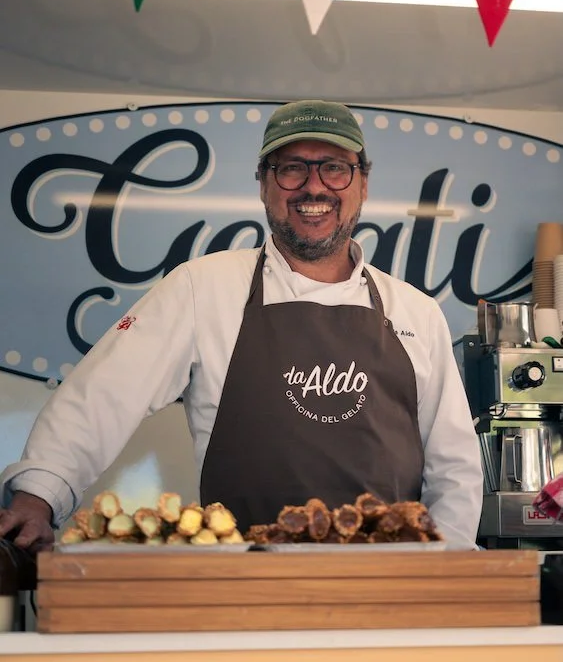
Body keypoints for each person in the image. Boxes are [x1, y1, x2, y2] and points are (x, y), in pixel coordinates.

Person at [0, 99, 483, 550]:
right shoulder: (200, 289)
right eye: (292, 168)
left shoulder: (417, 312)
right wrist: (38, 496)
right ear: (263, 184)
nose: (314, 186)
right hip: (243, 582)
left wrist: (446, 566)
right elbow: (100, 396)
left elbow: (455, 468)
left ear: (362, 184)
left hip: (392, 585)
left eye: (335, 168)